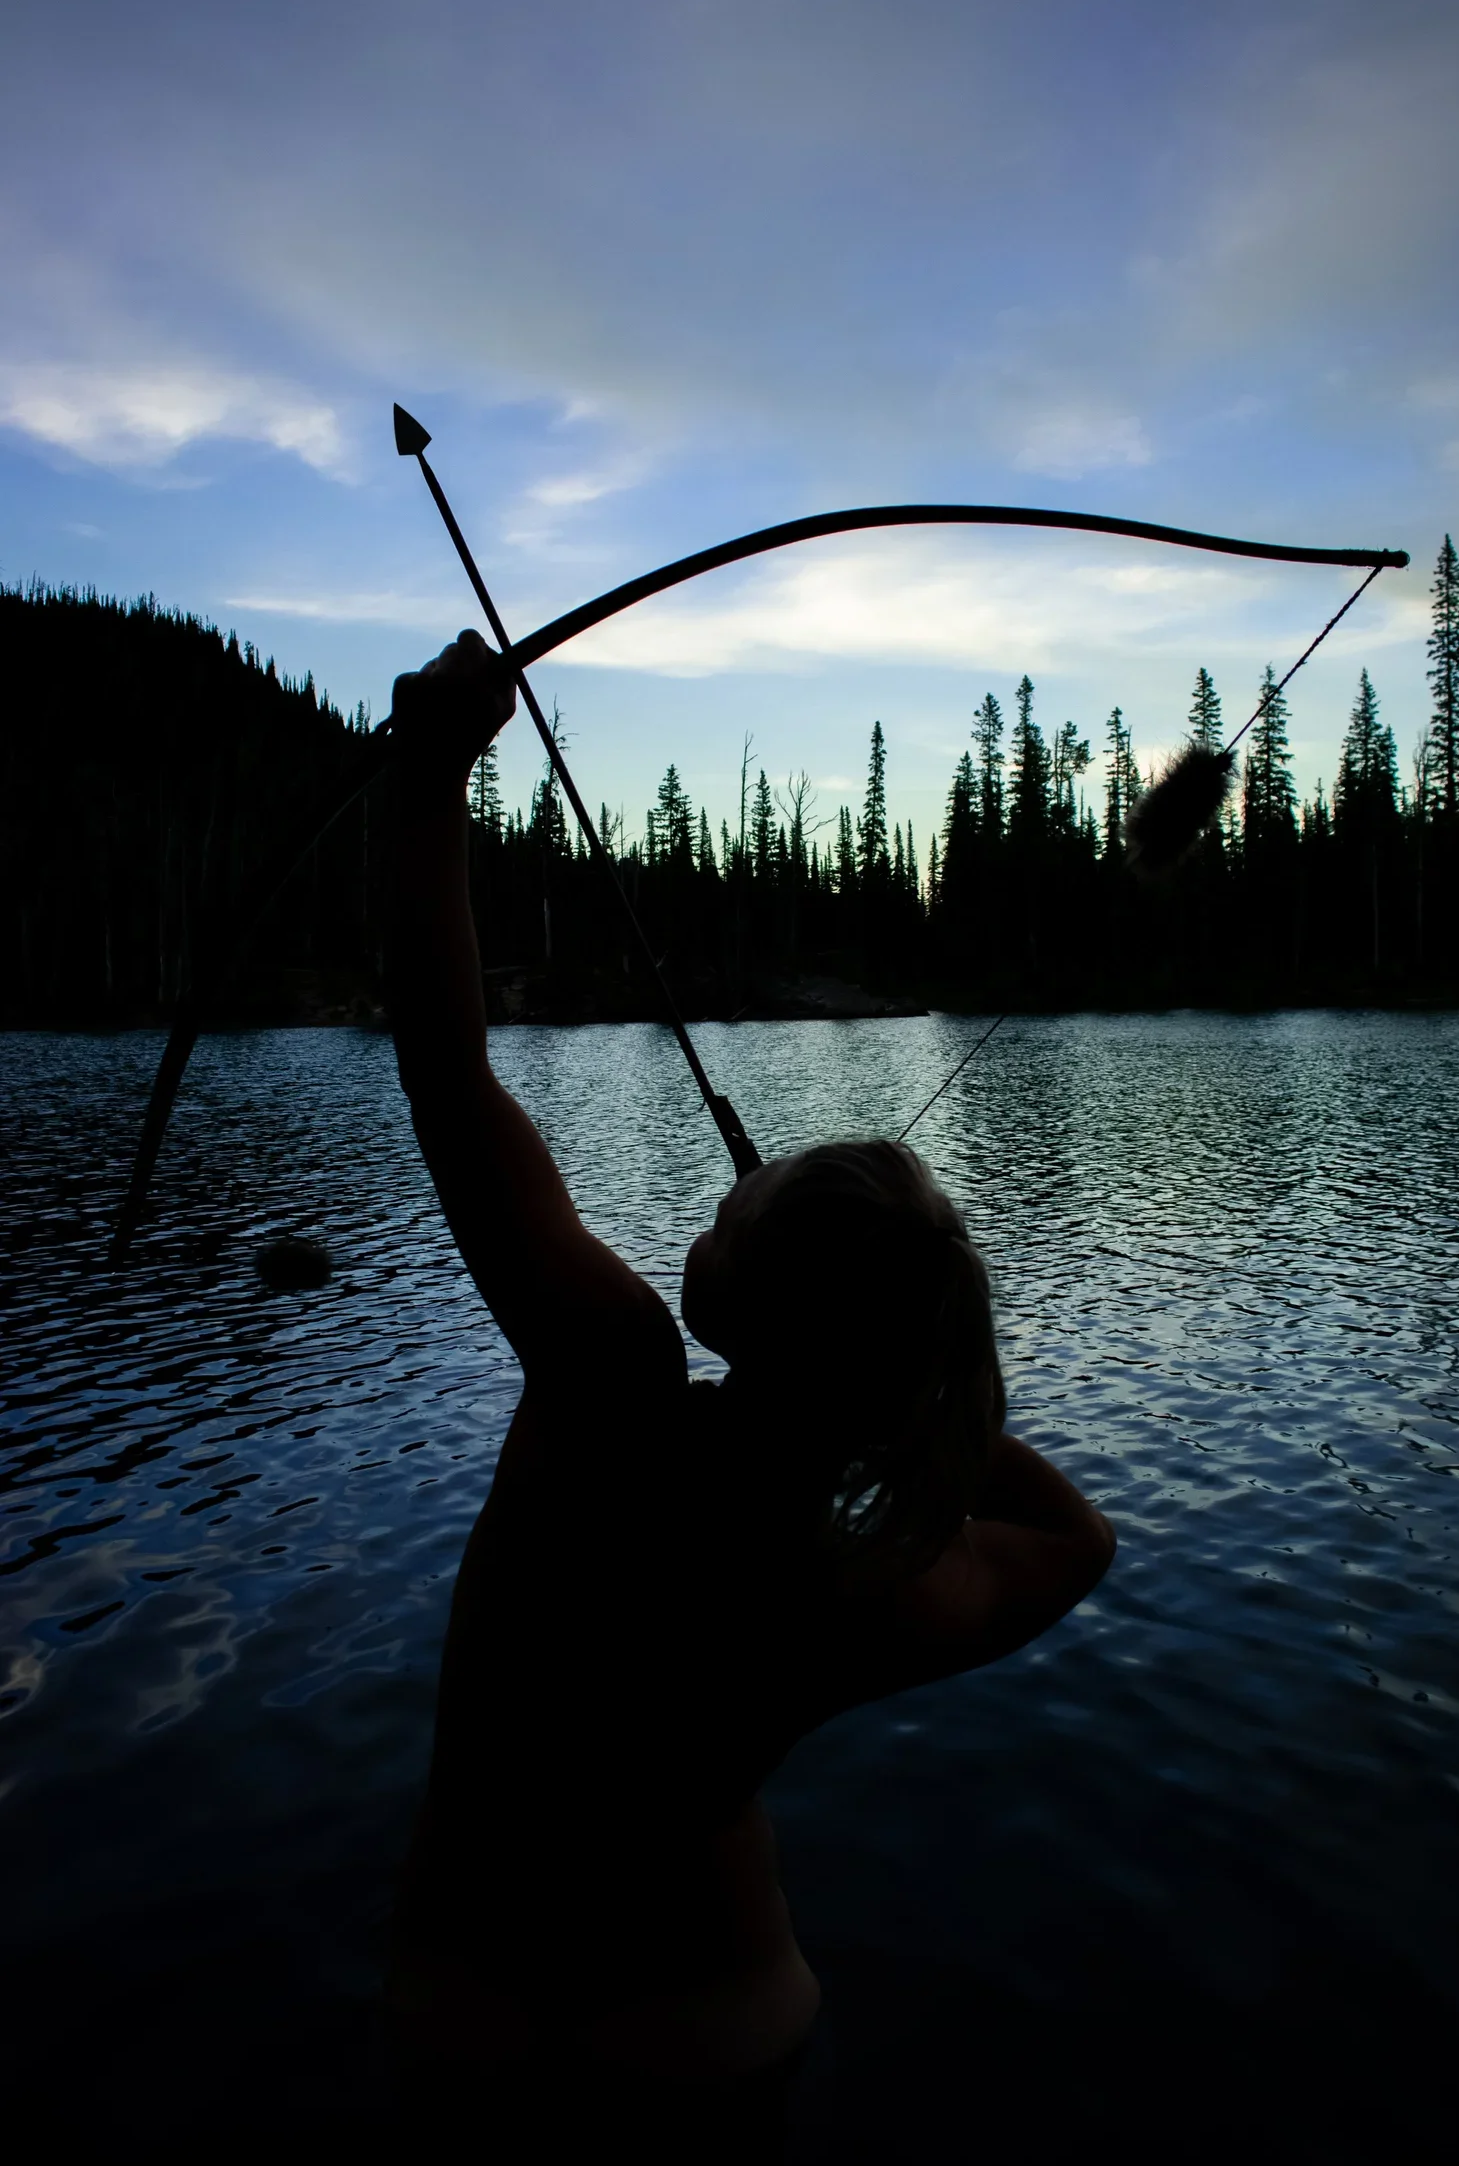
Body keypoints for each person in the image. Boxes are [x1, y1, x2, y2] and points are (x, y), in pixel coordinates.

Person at [377, 631, 1117, 2158]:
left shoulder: (612, 1374)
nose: (712, 1211)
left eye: (734, 1208)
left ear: (738, 1288)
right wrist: (916, 1408)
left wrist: (431, 772)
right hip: (722, 2056)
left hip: (467, 2034)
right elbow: (1077, 1539)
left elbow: (453, 1079)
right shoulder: (875, 1576)